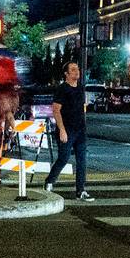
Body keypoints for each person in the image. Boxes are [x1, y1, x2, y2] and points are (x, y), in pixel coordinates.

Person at [44, 61, 94, 201]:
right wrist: (62, 130)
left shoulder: (80, 88)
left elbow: (82, 108)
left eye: (77, 68)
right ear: (66, 74)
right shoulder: (62, 89)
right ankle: (49, 181)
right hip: (67, 129)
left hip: (80, 131)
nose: (77, 71)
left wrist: (84, 123)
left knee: (82, 160)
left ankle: (81, 191)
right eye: (73, 69)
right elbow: (56, 110)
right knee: (64, 158)